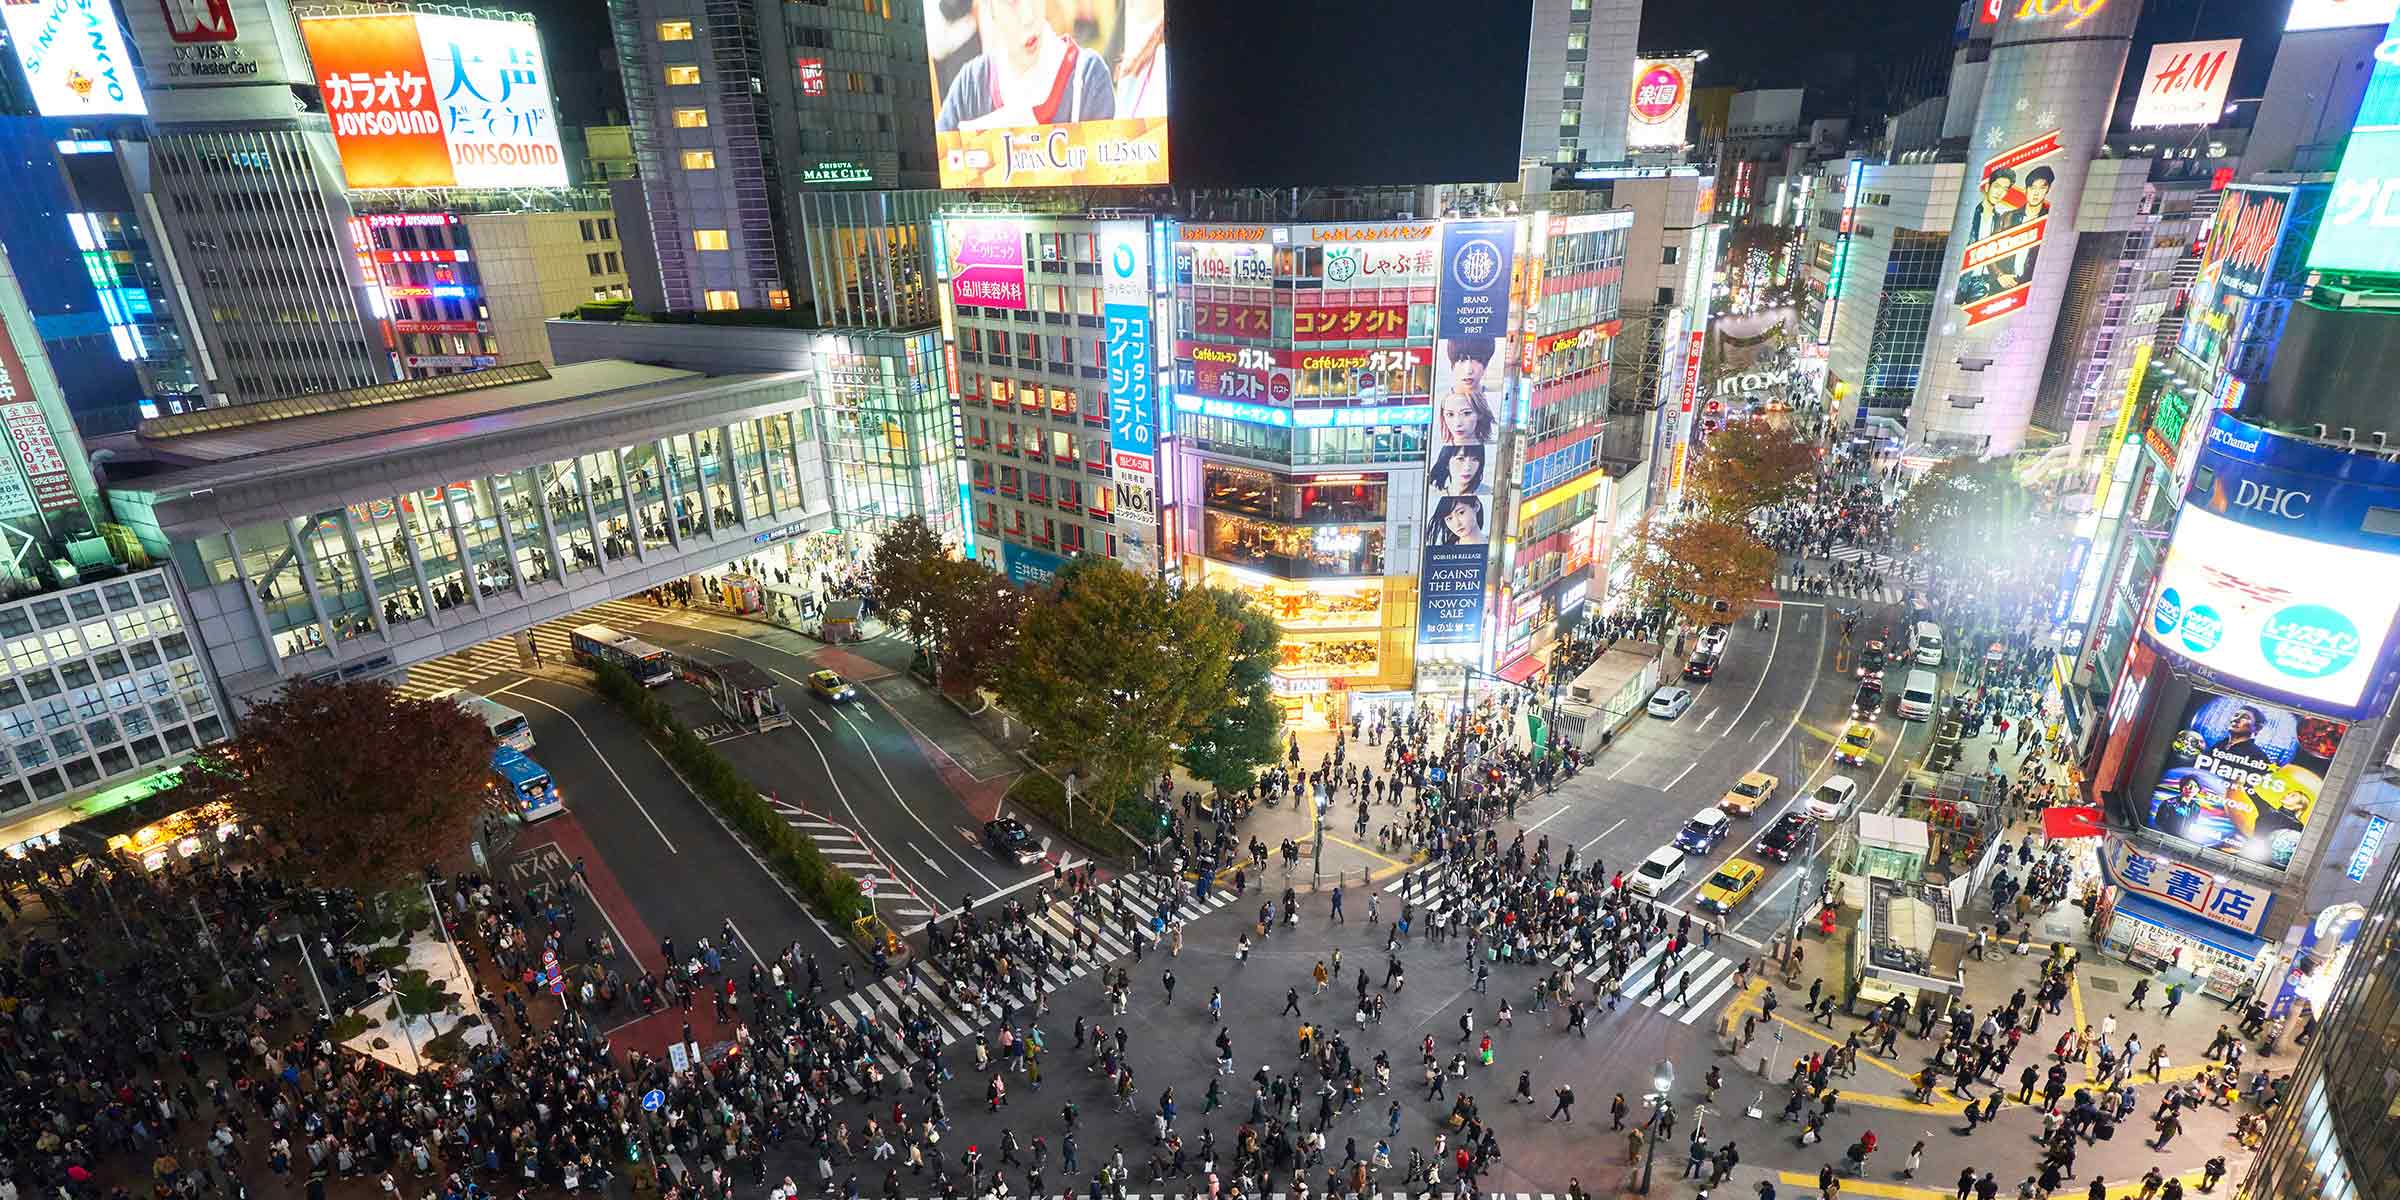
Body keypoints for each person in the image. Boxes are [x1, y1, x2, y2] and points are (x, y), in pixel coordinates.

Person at [933, 0, 1118, 134]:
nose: (1029, 16)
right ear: (989, 7)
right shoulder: (970, 85)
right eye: (1011, 2)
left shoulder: (1087, 76)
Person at [1435, 339, 1499, 445]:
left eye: (1477, 360)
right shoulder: (1438, 397)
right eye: (1461, 360)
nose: (1468, 370)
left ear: (1486, 365)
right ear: (1452, 365)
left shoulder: (1495, 398)